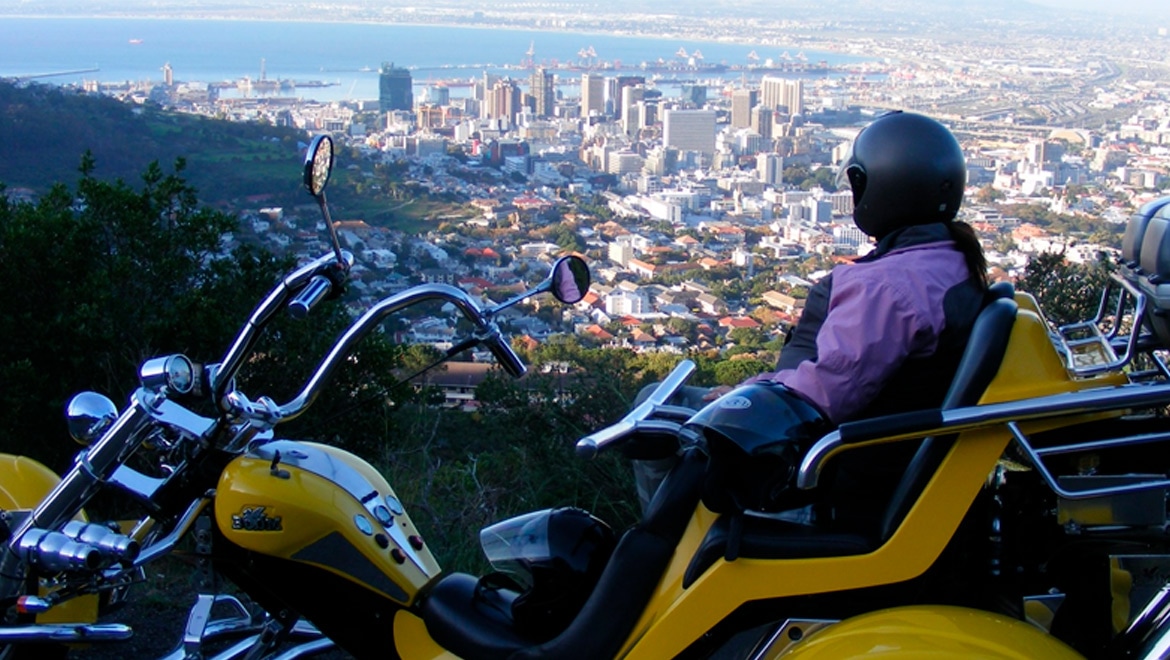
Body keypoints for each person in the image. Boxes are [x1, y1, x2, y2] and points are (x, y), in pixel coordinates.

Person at [633, 111, 989, 519]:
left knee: (653, 409)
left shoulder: (887, 290)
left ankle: (665, 540)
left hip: (826, 483)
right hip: (886, 464)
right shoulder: (952, 261)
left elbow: (822, 394)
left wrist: (744, 393)